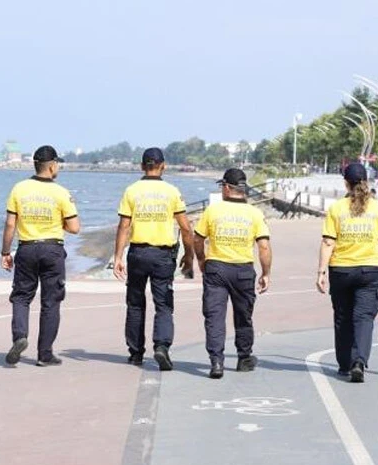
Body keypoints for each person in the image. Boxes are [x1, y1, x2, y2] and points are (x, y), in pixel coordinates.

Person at [113, 148, 195, 370]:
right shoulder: (171, 192)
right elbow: (186, 229)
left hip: (138, 254)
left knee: (135, 304)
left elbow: (124, 225)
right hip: (163, 255)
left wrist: (118, 256)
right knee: (164, 304)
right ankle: (161, 346)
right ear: (163, 165)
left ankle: (136, 352)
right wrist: (189, 257)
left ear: (142, 166)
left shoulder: (131, 191)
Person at [0, 145, 80, 367]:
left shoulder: (19, 189)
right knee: (51, 301)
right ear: (52, 165)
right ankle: (44, 354)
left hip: (26, 248)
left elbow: (9, 223)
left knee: (21, 296)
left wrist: (6, 252)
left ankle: (20, 337)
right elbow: (74, 227)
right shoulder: (62, 192)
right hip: (52, 249)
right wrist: (55, 222)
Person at [316, 162, 378, 383]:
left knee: (343, 316)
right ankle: (359, 360)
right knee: (364, 317)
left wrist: (321, 272)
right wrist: (376, 260)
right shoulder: (377, 208)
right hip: (370, 269)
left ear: (345, 183)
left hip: (341, 269)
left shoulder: (336, 208)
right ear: (365, 181)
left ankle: (344, 364)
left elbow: (328, 242)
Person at [191, 168, 272, 380]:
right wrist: (266, 273)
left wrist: (201, 259)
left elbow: (197, 239)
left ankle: (216, 361)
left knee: (214, 315)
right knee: (243, 316)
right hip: (243, 269)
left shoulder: (213, 211)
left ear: (227, 188)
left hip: (216, 268)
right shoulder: (254, 213)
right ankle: (244, 357)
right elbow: (263, 246)